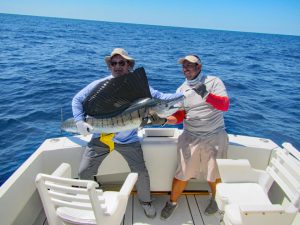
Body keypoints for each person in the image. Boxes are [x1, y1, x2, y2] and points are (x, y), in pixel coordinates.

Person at [72, 48, 182, 218]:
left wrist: (185, 94)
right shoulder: (100, 84)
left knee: (141, 173)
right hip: (101, 137)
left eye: (121, 63)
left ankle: (145, 202)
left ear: (129, 65)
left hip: (129, 140)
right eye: (113, 63)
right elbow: (77, 99)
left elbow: (162, 98)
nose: (117, 66)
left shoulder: (140, 89)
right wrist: (79, 121)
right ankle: (94, 196)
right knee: (83, 172)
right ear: (110, 66)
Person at [160, 54, 230, 220]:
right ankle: (172, 202)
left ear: (199, 67)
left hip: (215, 135)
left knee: (215, 174)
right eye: (184, 66)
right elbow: (179, 116)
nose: (186, 68)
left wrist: (206, 94)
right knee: (182, 174)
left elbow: (225, 105)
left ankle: (215, 200)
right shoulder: (180, 90)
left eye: (190, 65)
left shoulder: (214, 81)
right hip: (191, 136)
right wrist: (162, 120)